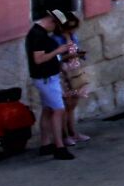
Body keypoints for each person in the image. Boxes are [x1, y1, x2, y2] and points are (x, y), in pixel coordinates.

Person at [24, 9, 73, 160]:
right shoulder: (38, 35)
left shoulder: (40, 33)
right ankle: (59, 146)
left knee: (48, 110)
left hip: (47, 77)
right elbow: (38, 59)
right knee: (58, 110)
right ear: (52, 21)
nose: (56, 29)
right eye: (57, 26)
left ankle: (45, 144)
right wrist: (58, 51)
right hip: (46, 79)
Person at [58, 13, 92, 146]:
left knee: (72, 105)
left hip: (75, 73)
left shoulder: (73, 37)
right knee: (65, 105)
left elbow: (75, 50)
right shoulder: (56, 40)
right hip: (64, 74)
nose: (73, 30)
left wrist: (80, 55)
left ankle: (73, 132)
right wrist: (69, 56)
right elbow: (57, 58)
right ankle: (64, 135)